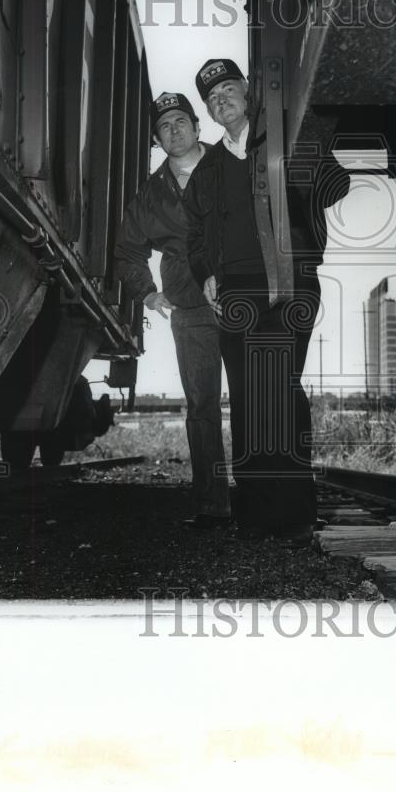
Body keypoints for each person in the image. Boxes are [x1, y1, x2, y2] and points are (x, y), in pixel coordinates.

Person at [184, 59, 350, 543]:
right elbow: (194, 234)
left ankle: (295, 514)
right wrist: (205, 274)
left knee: (279, 391)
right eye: (212, 98)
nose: (221, 101)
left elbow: (336, 187)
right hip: (234, 291)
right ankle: (255, 516)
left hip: (289, 281)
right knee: (248, 398)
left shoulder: (285, 139)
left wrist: (303, 154)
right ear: (210, 112)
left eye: (228, 90)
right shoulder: (208, 169)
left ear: (248, 91)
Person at [115, 91, 230, 527]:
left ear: (198, 127)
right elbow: (127, 251)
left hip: (242, 298)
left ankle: (264, 501)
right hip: (190, 307)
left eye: (181, 121)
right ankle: (212, 504)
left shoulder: (230, 167)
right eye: (165, 126)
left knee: (256, 397)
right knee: (202, 406)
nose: (174, 130)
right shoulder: (152, 193)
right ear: (157, 140)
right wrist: (148, 294)